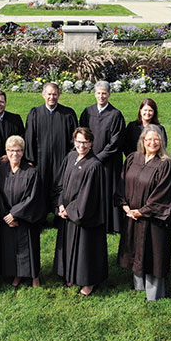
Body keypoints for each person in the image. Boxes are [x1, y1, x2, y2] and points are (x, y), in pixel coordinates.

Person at [116, 125, 171, 301]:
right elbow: (123, 182)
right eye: (148, 139)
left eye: (156, 139)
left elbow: (163, 194)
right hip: (132, 216)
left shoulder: (166, 163)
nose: (152, 142)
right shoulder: (133, 158)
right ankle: (138, 285)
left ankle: (154, 294)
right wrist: (124, 205)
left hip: (153, 219)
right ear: (142, 140)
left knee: (153, 254)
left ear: (162, 142)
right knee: (136, 250)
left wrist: (142, 212)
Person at [53, 127, 107, 297]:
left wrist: (70, 211)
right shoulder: (70, 157)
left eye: (85, 142)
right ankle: (71, 275)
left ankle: (88, 282)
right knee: (69, 246)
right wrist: (60, 204)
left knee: (85, 250)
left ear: (91, 143)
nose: (81, 145)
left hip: (85, 217)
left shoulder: (94, 165)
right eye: (78, 141)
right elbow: (61, 183)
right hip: (67, 212)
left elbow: (88, 196)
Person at [0, 135, 44, 288]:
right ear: (6, 152)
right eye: (11, 150)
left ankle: (34, 275)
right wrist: (5, 215)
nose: (15, 154)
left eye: (18, 151)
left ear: (23, 152)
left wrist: (15, 214)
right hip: (6, 218)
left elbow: (33, 197)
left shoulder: (31, 172)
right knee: (12, 248)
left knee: (29, 247)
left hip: (25, 218)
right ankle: (17, 274)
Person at [24, 82, 78, 218]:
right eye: (49, 94)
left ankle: (59, 216)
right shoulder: (35, 113)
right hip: (40, 161)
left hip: (62, 161)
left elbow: (74, 140)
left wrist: (71, 160)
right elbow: (29, 137)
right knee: (40, 188)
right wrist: (30, 160)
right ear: (43, 95)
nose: (52, 97)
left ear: (59, 95)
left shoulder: (68, 114)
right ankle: (40, 217)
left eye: (54, 94)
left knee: (61, 188)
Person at [79, 81, 125, 234]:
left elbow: (116, 141)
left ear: (109, 94)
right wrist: (89, 157)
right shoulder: (87, 112)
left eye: (104, 93)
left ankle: (110, 224)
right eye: (98, 93)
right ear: (94, 94)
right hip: (91, 160)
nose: (101, 96)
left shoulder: (116, 114)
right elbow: (82, 135)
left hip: (108, 162)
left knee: (109, 190)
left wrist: (98, 158)